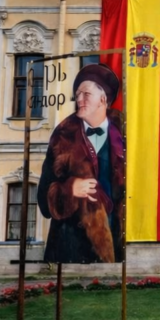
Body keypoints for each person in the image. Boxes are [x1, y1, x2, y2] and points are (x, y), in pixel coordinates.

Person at [37, 63, 125, 263]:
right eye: (77, 95)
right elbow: (43, 200)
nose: (79, 99)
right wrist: (69, 189)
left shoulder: (126, 132)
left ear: (103, 99)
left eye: (86, 94)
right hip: (70, 249)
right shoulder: (62, 136)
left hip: (118, 244)